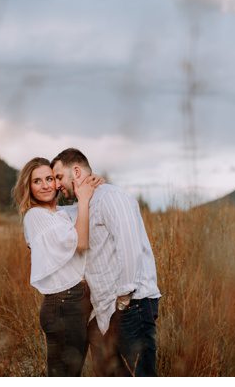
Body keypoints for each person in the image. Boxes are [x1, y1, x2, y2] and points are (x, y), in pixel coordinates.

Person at [51, 148, 162, 377]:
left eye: (59, 177)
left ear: (77, 170)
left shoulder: (110, 196)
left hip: (132, 305)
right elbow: (48, 213)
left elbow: (129, 247)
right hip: (106, 312)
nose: (57, 185)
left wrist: (123, 302)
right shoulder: (80, 208)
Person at [12, 157, 103, 376]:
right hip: (62, 305)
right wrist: (83, 200)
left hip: (76, 301)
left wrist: (92, 184)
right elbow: (81, 243)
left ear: (57, 183)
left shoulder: (60, 214)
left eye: (50, 178)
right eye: (37, 181)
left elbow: (82, 210)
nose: (45, 185)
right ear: (29, 187)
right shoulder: (35, 215)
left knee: (72, 373)